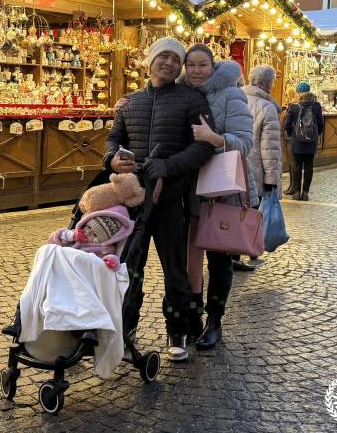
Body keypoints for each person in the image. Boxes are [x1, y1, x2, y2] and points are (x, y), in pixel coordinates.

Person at [104, 37, 215, 362]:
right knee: (128, 268)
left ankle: (176, 332)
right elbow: (114, 138)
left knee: (174, 268)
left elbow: (204, 146)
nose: (168, 63)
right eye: (162, 57)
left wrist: (168, 165)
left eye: (174, 59)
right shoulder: (131, 102)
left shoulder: (191, 99)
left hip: (170, 200)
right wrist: (112, 159)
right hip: (134, 201)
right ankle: (125, 332)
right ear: (150, 61)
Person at [182, 45, 257, 351]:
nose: (197, 70)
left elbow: (246, 144)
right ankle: (193, 318)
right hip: (187, 186)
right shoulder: (182, 92)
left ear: (213, 66)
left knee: (219, 256)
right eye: (191, 65)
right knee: (188, 256)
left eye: (203, 65)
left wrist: (215, 139)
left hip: (222, 187)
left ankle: (215, 322)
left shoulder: (231, 94)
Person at [236, 65, 282, 271]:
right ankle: (249, 248)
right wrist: (272, 179)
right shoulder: (267, 107)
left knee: (234, 211)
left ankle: (232, 253)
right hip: (256, 169)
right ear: (267, 83)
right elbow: (270, 148)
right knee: (253, 213)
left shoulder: (237, 99)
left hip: (235, 166)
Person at [284, 82, 324, 200]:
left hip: (297, 141)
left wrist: (292, 134)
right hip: (311, 141)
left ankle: (296, 192)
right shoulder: (316, 106)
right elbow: (321, 123)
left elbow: (287, 124)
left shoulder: (293, 106)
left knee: (296, 166)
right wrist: (317, 135)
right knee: (309, 166)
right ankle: (305, 193)